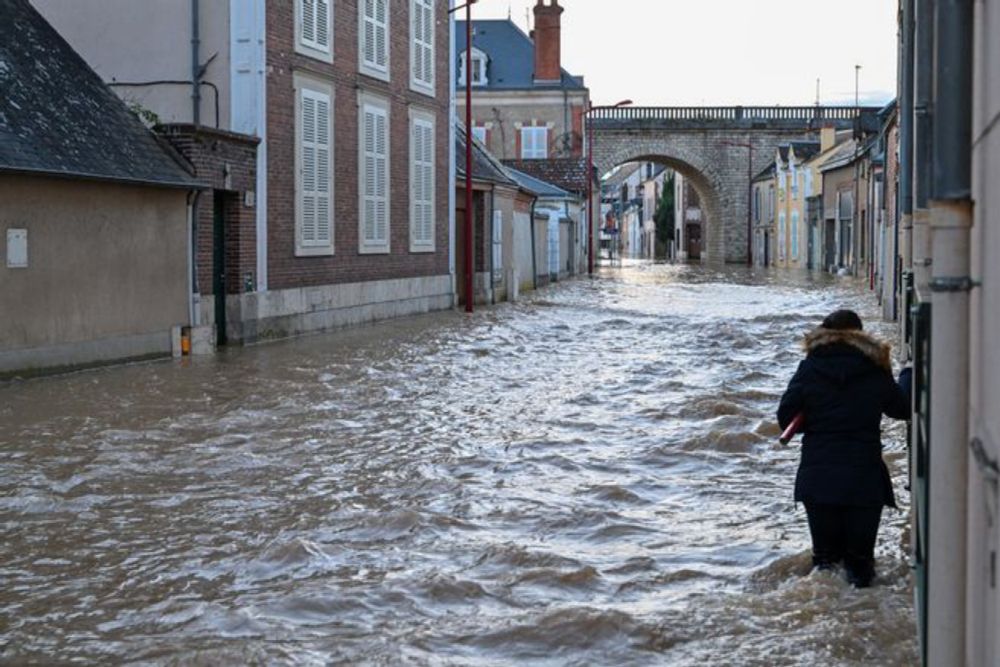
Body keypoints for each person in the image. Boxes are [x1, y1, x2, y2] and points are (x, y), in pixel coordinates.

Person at [777, 309, 912, 587]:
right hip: (863, 479)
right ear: (860, 335)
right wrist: (908, 375)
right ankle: (861, 619)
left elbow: (785, 419)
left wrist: (816, 415)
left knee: (825, 565)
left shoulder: (810, 367)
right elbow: (902, 408)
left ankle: (825, 619)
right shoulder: (875, 367)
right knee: (861, 567)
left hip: (819, 478)